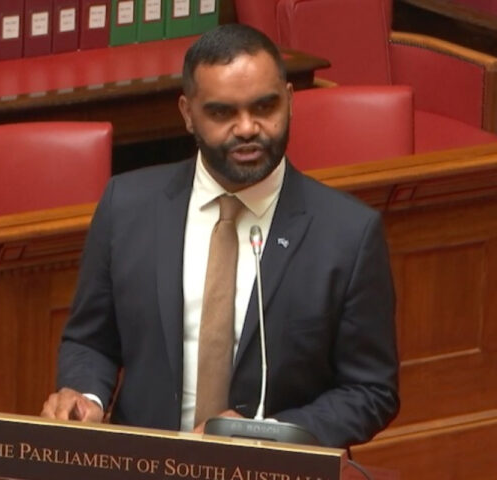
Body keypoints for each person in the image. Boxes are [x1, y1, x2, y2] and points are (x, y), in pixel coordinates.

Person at [41, 23, 399, 448]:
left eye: (264, 107)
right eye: (222, 113)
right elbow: (90, 341)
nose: (247, 128)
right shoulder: (128, 206)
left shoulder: (347, 233)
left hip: (274, 471)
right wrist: (86, 396)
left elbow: (370, 391)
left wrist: (267, 435)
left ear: (289, 100)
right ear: (187, 113)